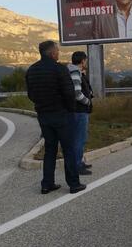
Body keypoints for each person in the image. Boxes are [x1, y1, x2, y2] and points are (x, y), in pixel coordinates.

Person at [26, 41, 85, 195]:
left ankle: (47, 184)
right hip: (62, 115)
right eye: (57, 51)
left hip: (43, 116)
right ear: (52, 53)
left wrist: (42, 105)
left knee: (50, 150)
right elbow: (69, 93)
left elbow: (31, 94)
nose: (58, 53)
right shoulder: (60, 69)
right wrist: (70, 110)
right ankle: (74, 184)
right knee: (69, 150)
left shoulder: (31, 70)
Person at [67, 51, 93, 176]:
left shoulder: (75, 71)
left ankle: (79, 162)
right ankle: (77, 166)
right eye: (85, 60)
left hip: (76, 110)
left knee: (79, 139)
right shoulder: (75, 72)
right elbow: (77, 93)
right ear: (82, 61)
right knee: (79, 139)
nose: (86, 63)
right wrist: (87, 101)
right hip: (79, 111)